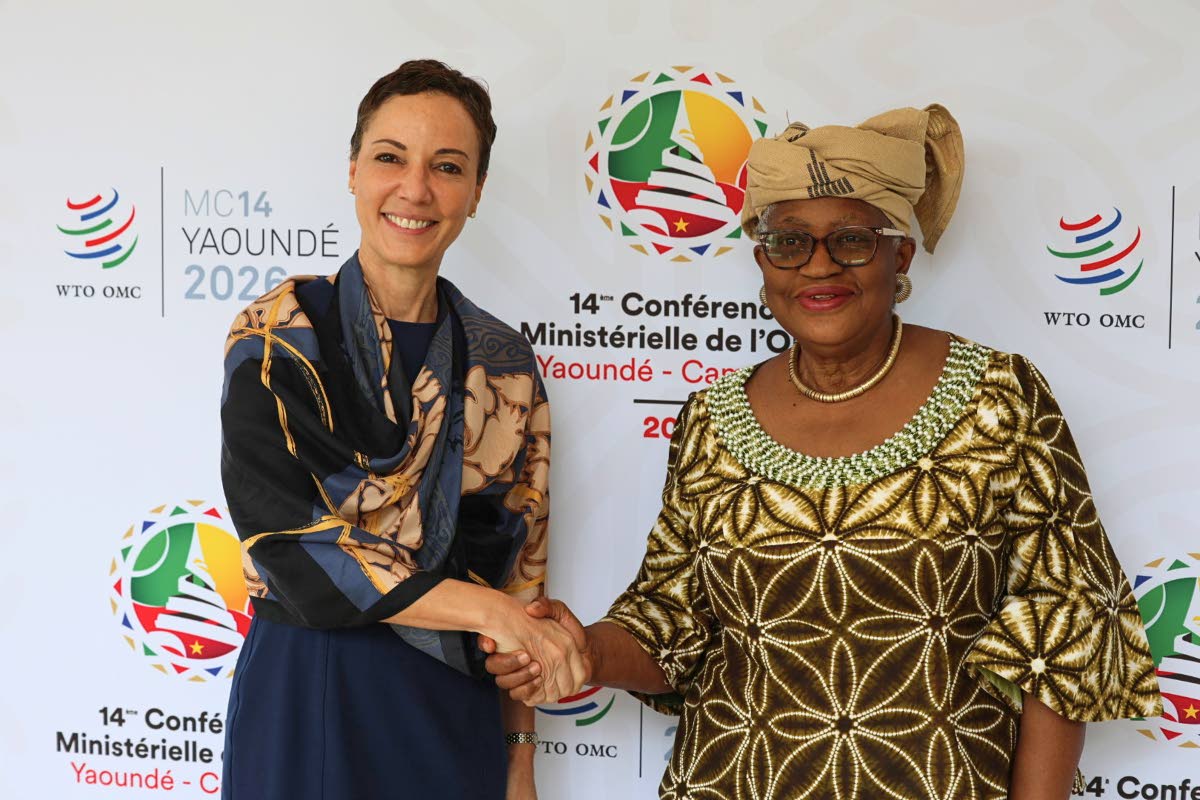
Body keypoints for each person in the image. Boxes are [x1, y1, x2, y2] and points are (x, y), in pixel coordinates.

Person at [484, 105, 1162, 799]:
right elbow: (673, 623)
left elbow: (1069, 627)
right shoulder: (712, 419)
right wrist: (583, 648)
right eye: (789, 242)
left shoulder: (998, 397)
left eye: (851, 240)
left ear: (900, 255)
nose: (818, 265)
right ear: (762, 262)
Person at [218, 60, 585, 800]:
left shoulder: (504, 362)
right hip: (308, 690)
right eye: (391, 157)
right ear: (354, 171)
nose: (415, 189)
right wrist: (494, 613)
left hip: (450, 705)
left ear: (476, 191)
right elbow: (293, 542)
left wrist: (520, 761)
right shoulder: (279, 335)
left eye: (447, 166)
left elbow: (521, 574)